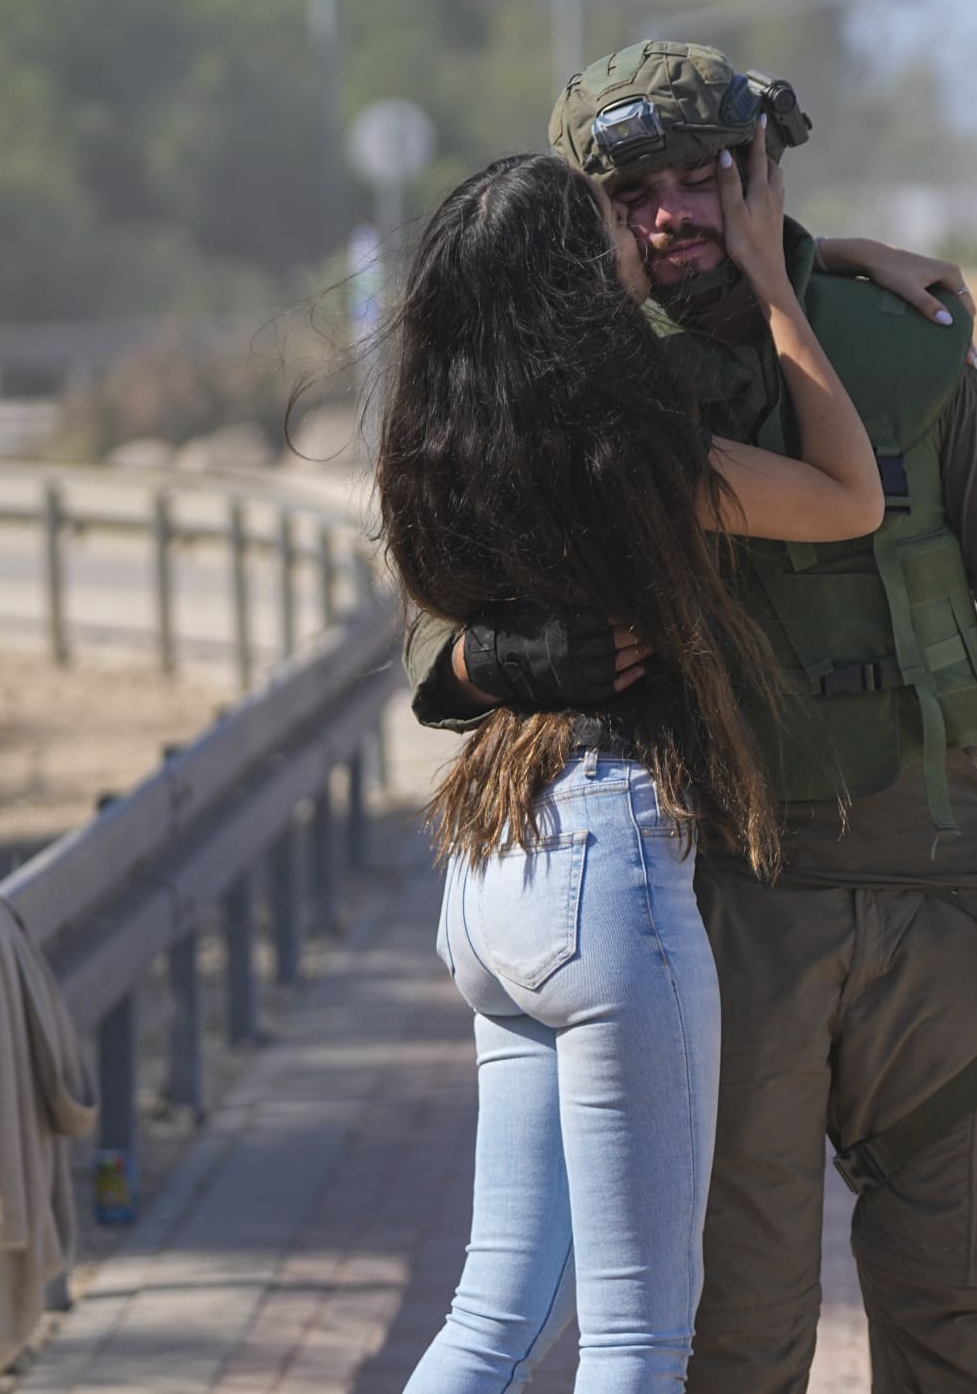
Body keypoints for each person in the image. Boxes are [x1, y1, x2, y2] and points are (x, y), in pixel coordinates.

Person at [405, 41, 977, 1392]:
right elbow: (444, 634)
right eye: (633, 192)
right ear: (586, 213)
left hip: (937, 894)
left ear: (763, 175)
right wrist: (503, 655)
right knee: (730, 1343)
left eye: (705, 178)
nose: (672, 213)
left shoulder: (902, 362)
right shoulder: (580, 396)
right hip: (719, 912)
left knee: (965, 1326)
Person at [381, 130, 894, 1392]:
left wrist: (853, 257)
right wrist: (777, 284)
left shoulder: (446, 442)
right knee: (634, 1336)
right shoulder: (632, 453)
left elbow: (438, 667)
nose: (640, 233)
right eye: (610, 223)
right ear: (572, 276)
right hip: (607, 869)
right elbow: (848, 496)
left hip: (491, 875)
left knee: (492, 1315)